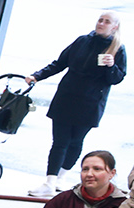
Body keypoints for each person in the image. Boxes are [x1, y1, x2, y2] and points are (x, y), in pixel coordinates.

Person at [25, 11, 126, 195]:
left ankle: (62, 176)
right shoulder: (82, 41)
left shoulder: (117, 49)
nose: (101, 23)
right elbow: (59, 63)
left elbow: (116, 79)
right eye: (100, 20)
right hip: (66, 97)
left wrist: (112, 66)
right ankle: (49, 180)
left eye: (107, 21)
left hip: (90, 103)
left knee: (76, 142)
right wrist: (37, 76)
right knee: (60, 141)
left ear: (115, 27)